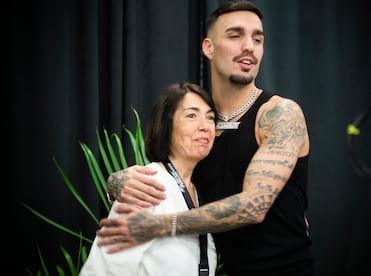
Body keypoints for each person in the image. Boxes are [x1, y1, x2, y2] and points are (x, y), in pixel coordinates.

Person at [98, 1, 314, 275]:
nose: (249, 45)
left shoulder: (279, 113)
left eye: (257, 38)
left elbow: (254, 207)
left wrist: (163, 225)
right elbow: (172, 181)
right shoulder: (201, 126)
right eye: (235, 35)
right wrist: (115, 182)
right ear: (208, 47)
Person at [79, 82, 218, 276]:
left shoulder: (199, 190)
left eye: (210, 117)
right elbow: (102, 270)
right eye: (191, 115)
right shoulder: (145, 184)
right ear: (166, 126)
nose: (205, 126)